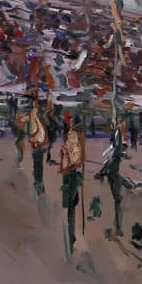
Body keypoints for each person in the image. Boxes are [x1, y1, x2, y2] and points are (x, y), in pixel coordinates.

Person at [58, 112, 85, 262]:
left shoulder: (74, 136)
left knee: (70, 209)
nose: (70, 124)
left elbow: (75, 158)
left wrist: (67, 156)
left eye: (72, 122)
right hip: (68, 175)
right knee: (70, 210)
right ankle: (71, 236)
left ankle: (71, 238)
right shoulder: (71, 135)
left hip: (71, 176)